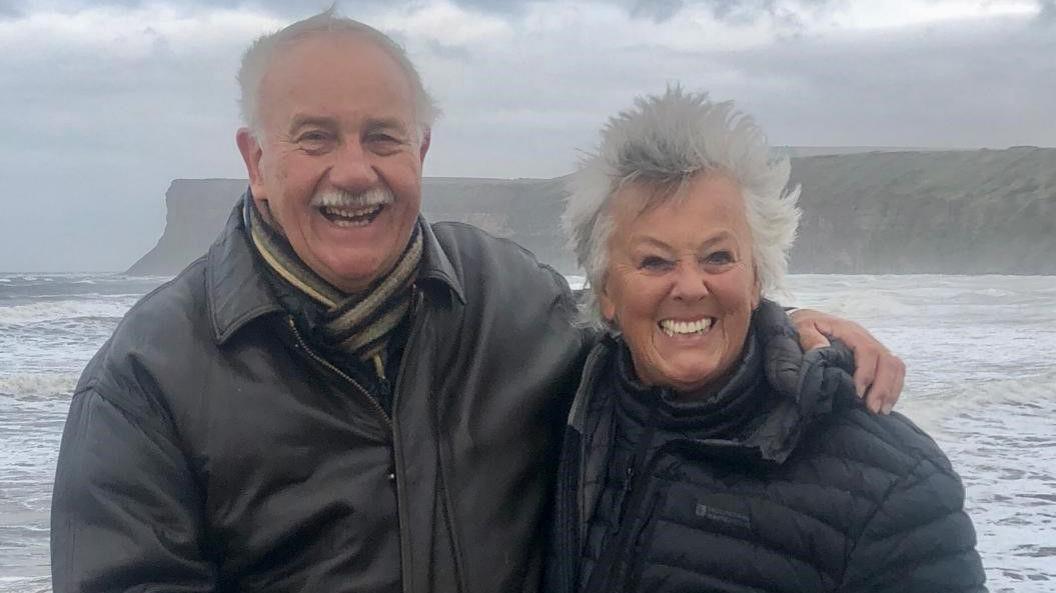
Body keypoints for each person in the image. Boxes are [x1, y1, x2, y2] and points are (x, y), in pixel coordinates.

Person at [50, 10, 906, 593]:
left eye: (383, 137)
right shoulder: (144, 383)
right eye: (315, 138)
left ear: (419, 149)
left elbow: (656, 325)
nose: (355, 172)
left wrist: (780, 333)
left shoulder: (513, 304)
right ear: (255, 159)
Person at [546, 87, 986, 593]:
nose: (690, 287)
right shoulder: (559, 409)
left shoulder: (896, 482)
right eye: (654, 261)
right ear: (605, 290)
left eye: (717, 257)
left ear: (757, 278)